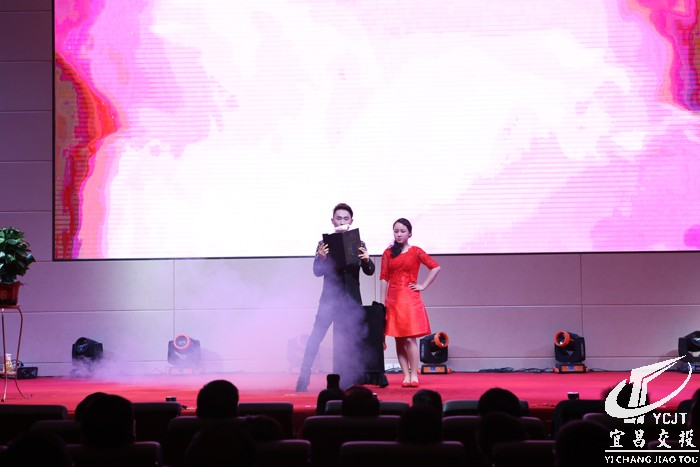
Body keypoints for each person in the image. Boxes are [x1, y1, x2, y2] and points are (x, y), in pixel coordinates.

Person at [296, 203, 375, 392]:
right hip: (329, 299)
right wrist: (321, 259)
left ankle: (346, 379)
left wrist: (366, 260)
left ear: (351, 221)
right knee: (315, 337)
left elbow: (370, 271)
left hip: (351, 301)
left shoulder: (359, 243)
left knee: (348, 342)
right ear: (332, 221)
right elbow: (317, 271)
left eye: (345, 218)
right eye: (338, 218)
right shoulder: (324, 244)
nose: (342, 222)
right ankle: (304, 375)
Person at [380, 218, 441, 388]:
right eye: (396, 231)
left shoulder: (415, 251)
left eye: (402, 231)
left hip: (409, 299)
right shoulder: (388, 253)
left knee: (409, 338)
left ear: (410, 233)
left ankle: (414, 374)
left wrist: (423, 285)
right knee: (399, 339)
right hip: (393, 300)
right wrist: (382, 303)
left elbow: (435, 267)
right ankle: (406, 376)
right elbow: (383, 278)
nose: (399, 234)